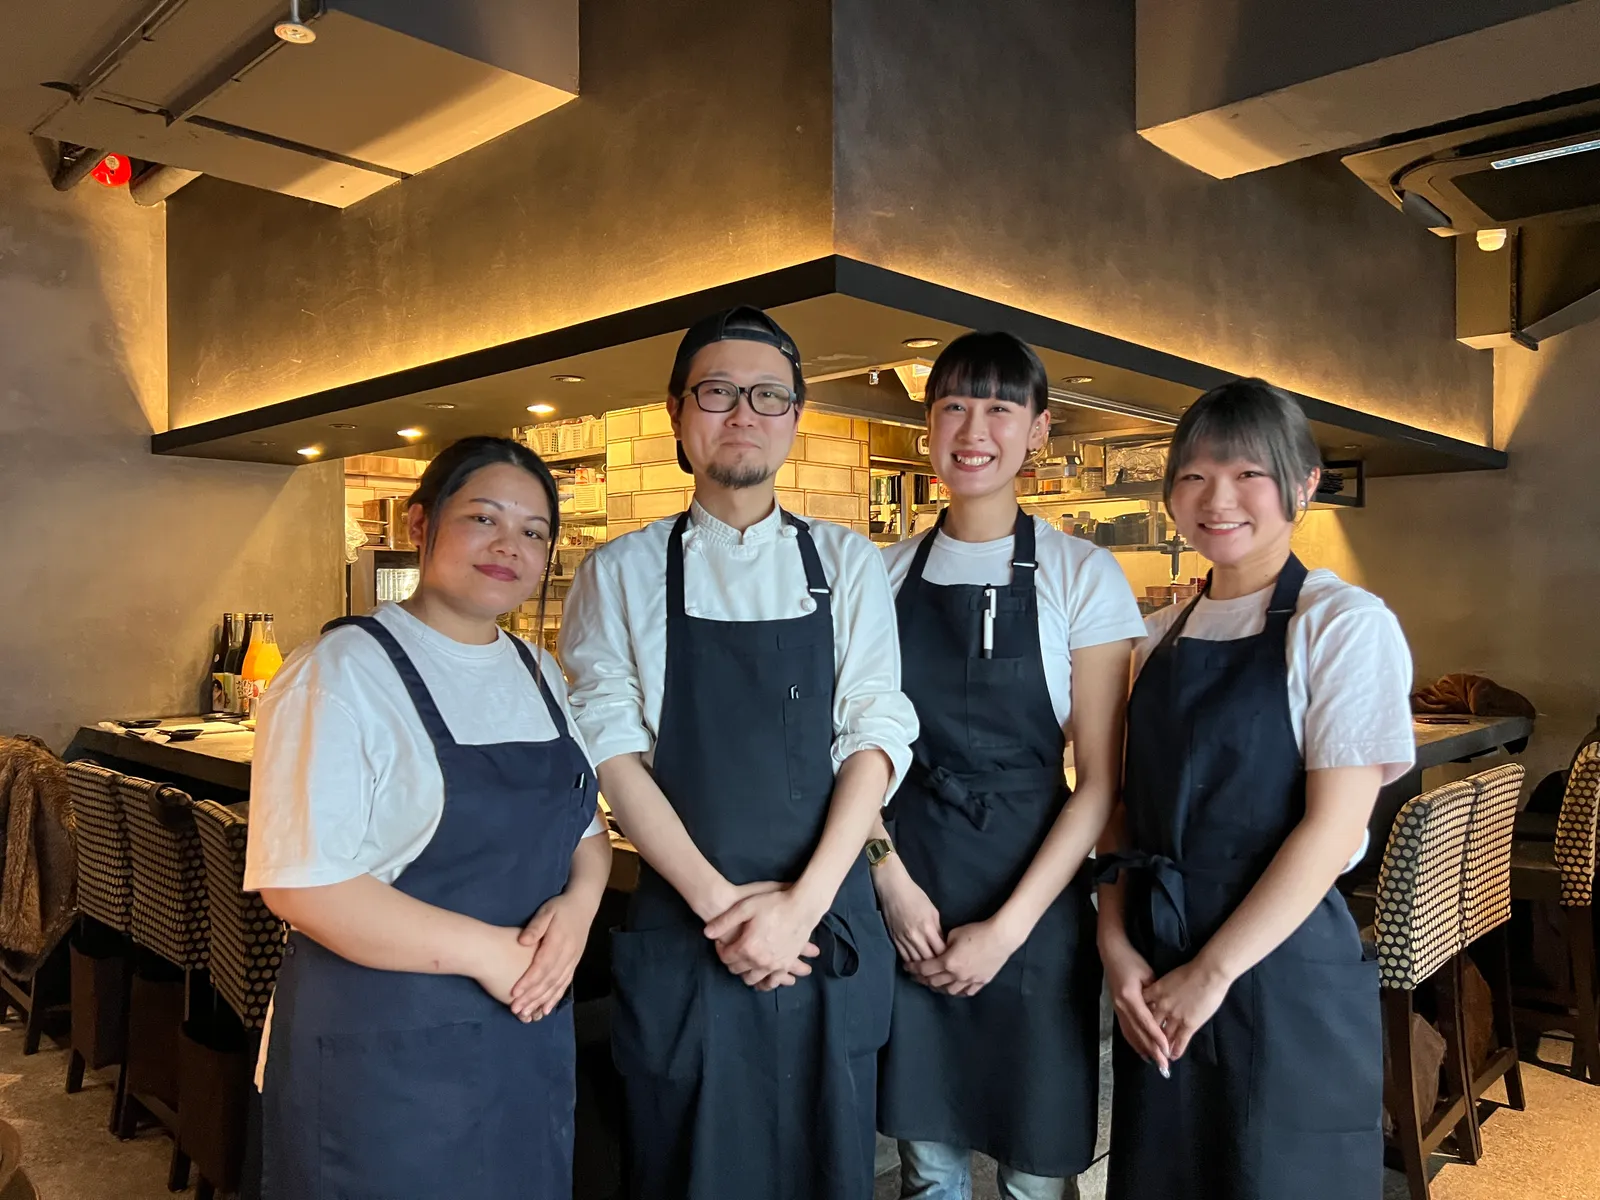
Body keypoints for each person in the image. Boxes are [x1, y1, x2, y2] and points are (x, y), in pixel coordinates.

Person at [559, 305, 918, 1200]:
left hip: (821, 928)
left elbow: (873, 738)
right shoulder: (621, 571)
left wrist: (800, 907)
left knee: (826, 1167)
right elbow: (610, 754)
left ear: (795, 415)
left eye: (768, 395)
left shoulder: (849, 563)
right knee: (686, 1167)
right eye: (718, 392)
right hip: (689, 929)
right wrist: (726, 910)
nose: (743, 413)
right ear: (679, 411)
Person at [245, 436, 611, 1200]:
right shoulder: (338, 671)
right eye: (484, 517)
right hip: (382, 1054)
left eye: (534, 531)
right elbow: (306, 888)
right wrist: (491, 955)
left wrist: (577, 912)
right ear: (421, 525)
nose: (510, 545)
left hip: (523, 1037)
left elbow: (585, 834)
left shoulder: (537, 672)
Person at [1096, 379, 1415, 1199]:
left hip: (1279, 971)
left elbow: (1330, 830)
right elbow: (1125, 812)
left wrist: (1212, 973)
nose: (1218, 498)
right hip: (1160, 968)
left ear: (1304, 484)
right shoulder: (1159, 634)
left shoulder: (1341, 623)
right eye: (1194, 476)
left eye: (1248, 474)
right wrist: (1116, 947)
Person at [872, 332, 1145, 1200]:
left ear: (1038, 432)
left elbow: (1101, 779)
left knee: (1036, 1174)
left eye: (999, 407)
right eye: (953, 405)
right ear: (928, 428)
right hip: (913, 885)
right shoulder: (880, 575)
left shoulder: (1083, 573)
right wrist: (892, 886)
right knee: (929, 1168)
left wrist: (1009, 928)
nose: (973, 428)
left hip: (1034, 899)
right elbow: (854, 759)